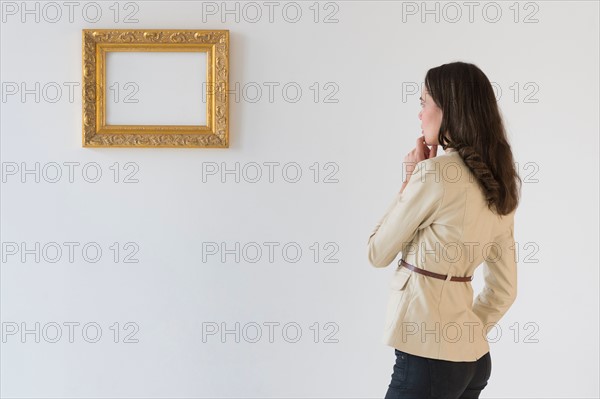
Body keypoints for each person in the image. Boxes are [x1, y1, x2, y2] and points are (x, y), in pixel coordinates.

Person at [367, 61, 522, 398]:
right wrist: (463, 334)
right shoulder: (500, 181)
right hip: (472, 358)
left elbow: (377, 252)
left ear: (448, 109)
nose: (419, 115)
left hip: (428, 359)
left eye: (424, 103)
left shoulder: (433, 175)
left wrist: (409, 179)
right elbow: (504, 291)